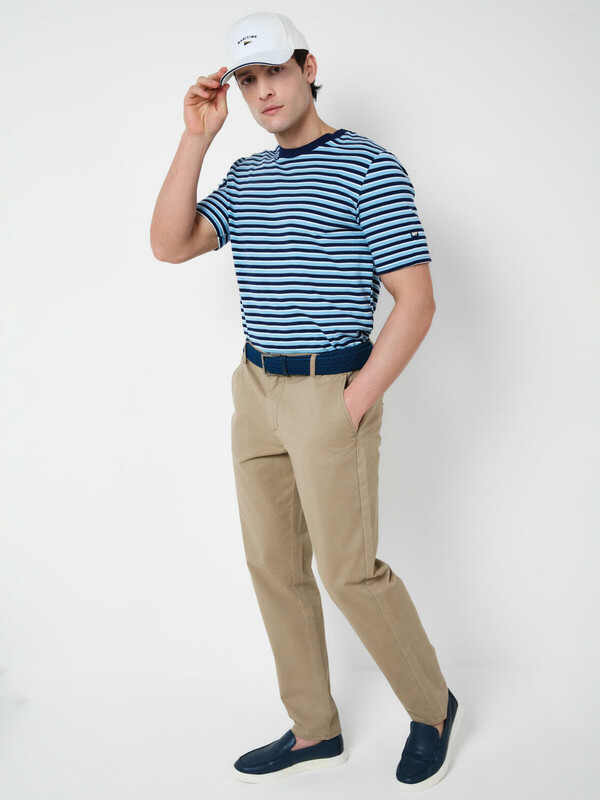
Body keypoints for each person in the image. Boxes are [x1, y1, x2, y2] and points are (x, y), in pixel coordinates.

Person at [150, 10, 463, 791]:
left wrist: (354, 402)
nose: (263, 92)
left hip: (331, 390)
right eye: (247, 80)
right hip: (256, 389)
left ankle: (432, 709)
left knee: (349, 572)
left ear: (308, 67)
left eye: (275, 72)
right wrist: (196, 139)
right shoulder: (247, 176)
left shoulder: (368, 167)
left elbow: (416, 300)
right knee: (274, 566)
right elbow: (170, 243)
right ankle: (313, 728)